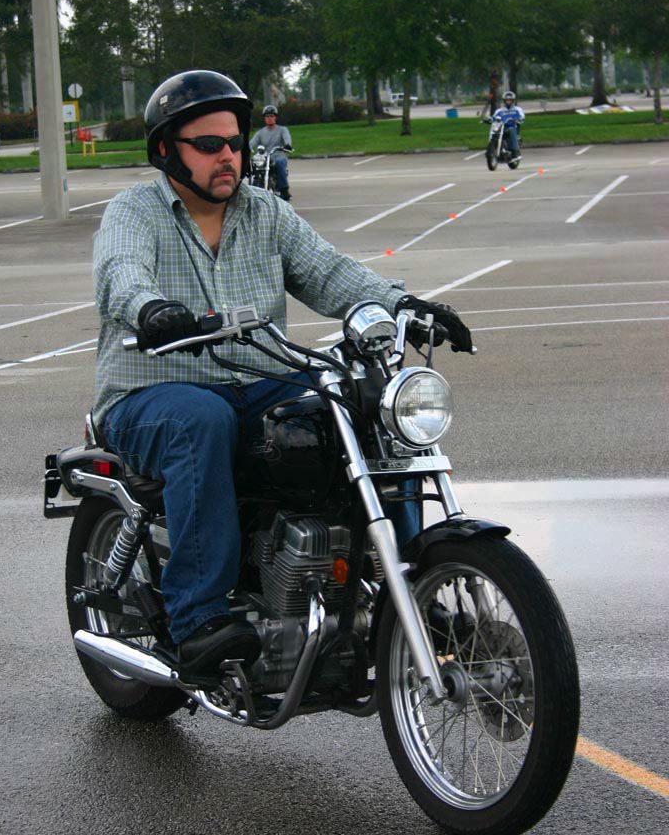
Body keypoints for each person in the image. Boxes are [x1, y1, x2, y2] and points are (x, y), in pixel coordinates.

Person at [92, 70, 473, 682]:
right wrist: (150, 308)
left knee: (357, 404)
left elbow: (330, 273)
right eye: (208, 145)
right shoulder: (135, 211)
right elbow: (121, 270)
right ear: (165, 149)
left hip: (254, 380)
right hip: (151, 391)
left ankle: (403, 580)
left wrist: (406, 306)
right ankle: (197, 619)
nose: (227, 156)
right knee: (201, 420)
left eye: (234, 143)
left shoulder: (265, 212)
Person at [249, 103, 293, 200]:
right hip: (265, 158)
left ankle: (284, 190)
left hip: (278, 156)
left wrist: (287, 145)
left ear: (275, 117)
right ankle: (252, 188)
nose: (269, 118)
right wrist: (247, 147)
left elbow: (287, 139)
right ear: (264, 118)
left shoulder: (282, 130)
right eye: (267, 116)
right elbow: (252, 143)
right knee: (254, 164)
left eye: (272, 116)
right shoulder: (260, 133)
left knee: (280, 163)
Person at [493, 90, 525, 161]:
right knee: (494, 132)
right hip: (501, 127)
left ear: (513, 100)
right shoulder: (499, 110)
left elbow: (522, 116)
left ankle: (515, 153)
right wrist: (489, 119)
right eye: (507, 100)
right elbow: (494, 118)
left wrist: (518, 119)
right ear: (504, 101)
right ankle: (492, 149)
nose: (508, 101)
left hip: (512, 127)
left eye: (510, 100)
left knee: (511, 129)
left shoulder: (517, 109)